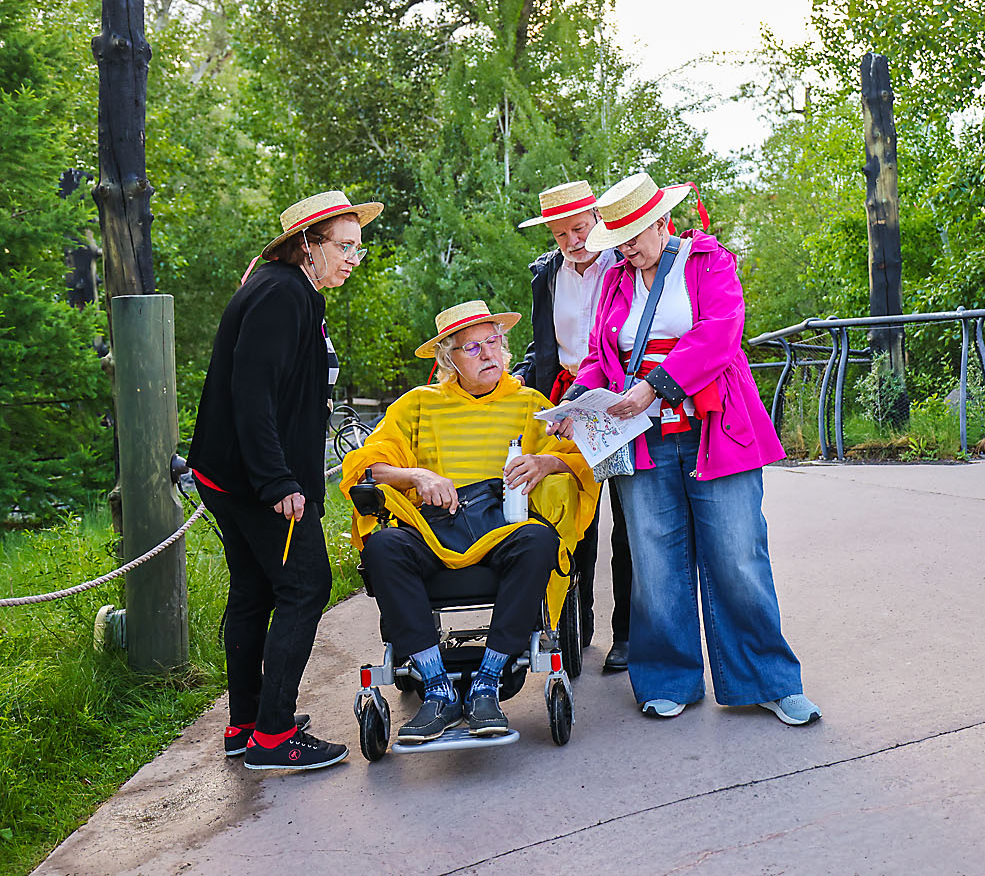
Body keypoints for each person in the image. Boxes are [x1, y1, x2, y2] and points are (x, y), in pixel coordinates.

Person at [550, 172, 819, 725]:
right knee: (655, 563)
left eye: (632, 234)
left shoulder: (708, 261)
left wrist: (657, 384)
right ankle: (668, 678)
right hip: (644, 440)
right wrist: (576, 399)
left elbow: (720, 334)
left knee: (740, 557)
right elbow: (603, 352)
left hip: (712, 430)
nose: (625, 247)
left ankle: (767, 680)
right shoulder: (617, 281)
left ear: (658, 220)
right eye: (617, 238)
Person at [340, 302, 597, 742]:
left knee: (538, 541)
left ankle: (487, 682)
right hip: (434, 525)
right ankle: (436, 686)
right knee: (383, 548)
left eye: (493, 342)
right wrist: (416, 475)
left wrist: (545, 461)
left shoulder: (530, 405)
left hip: (503, 524)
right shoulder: (418, 406)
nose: (487, 354)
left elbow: (579, 461)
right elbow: (367, 468)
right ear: (448, 359)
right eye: (472, 347)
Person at [188, 190, 381, 771]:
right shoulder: (282, 294)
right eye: (343, 246)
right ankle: (273, 737)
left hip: (227, 474)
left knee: (253, 590)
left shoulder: (286, 289)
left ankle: (245, 725)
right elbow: (252, 394)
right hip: (256, 482)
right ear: (308, 244)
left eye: (359, 249)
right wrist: (277, 481)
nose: (352, 257)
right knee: (305, 586)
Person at [517, 180, 633, 673]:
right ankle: (575, 626)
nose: (572, 240)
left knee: (629, 524)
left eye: (579, 228)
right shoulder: (546, 275)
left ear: (598, 220)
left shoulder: (625, 265)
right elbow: (542, 346)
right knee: (573, 521)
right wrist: (516, 380)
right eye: (561, 233)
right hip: (565, 406)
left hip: (619, 400)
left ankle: (626, 635)